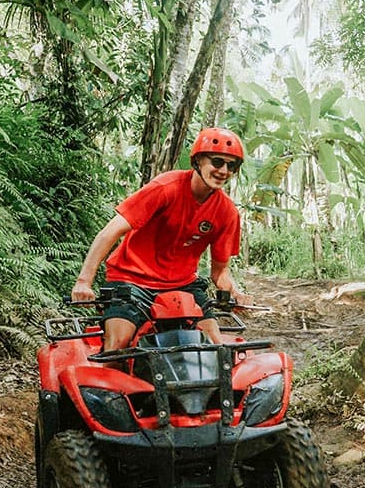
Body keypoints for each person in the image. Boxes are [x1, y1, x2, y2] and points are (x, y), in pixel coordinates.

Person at [71, 127, 253, 351]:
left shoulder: (227, 212)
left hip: (183, 284)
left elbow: (220, 271)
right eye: (217, 162)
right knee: (117, 345)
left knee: (215, 345)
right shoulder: (166, 188)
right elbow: (110, 232)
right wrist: (83, 282)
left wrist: (235, 293)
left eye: (231, 165)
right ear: (197, 161)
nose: (223, 171)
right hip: (131, 279)